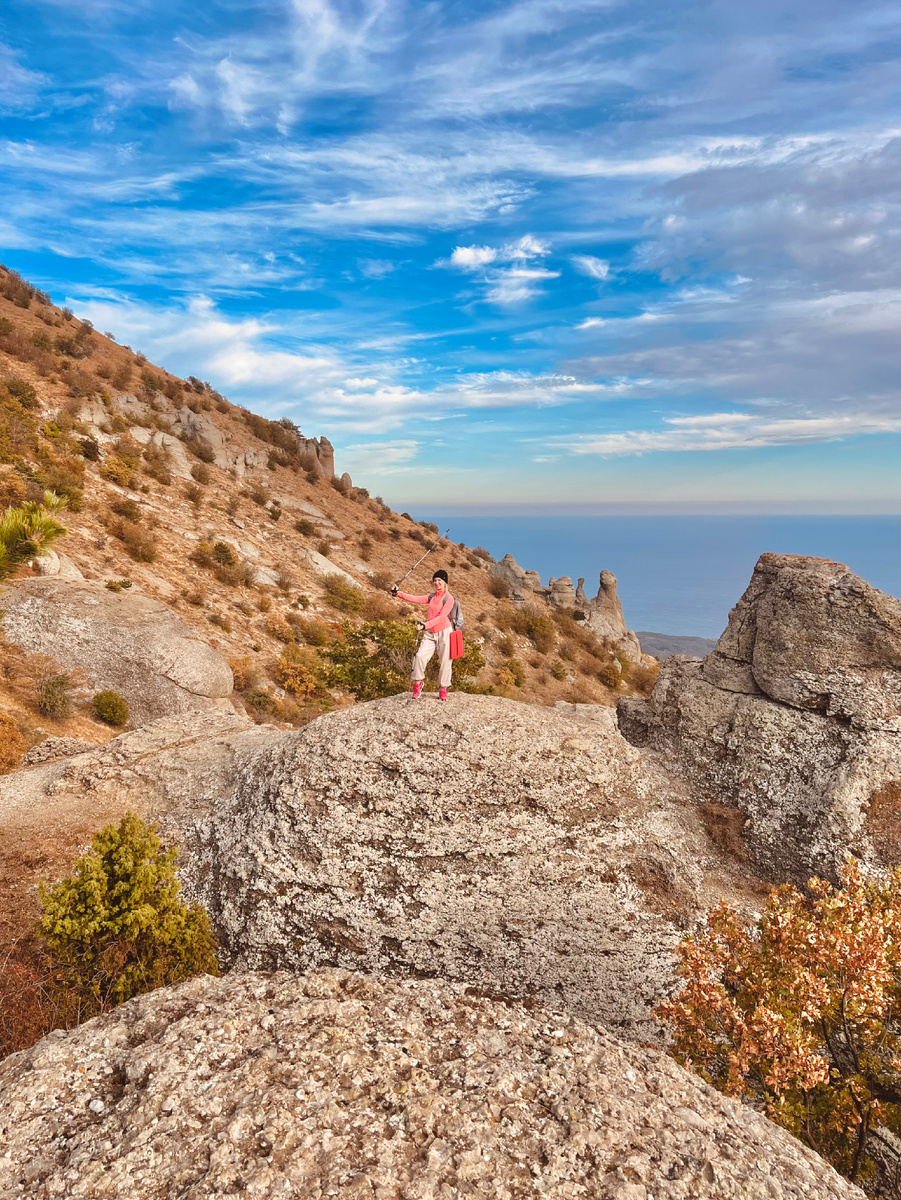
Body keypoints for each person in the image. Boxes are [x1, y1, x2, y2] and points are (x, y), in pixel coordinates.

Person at [391, 569, 454, 700]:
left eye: (439, 580)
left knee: (445, 662)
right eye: (435, 580)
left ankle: (443, 689)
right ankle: (418, 684)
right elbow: (416, 599)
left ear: (445, 582)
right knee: (419, 656)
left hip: (444, 632)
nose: (437, 583)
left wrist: (425, 625)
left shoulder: (449, 599)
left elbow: (442, 617)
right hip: (431, 633)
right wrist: (398, 594)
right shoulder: (431, 597)